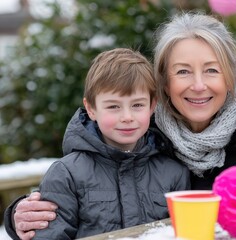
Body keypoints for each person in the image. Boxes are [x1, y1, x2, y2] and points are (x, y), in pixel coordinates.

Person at [5, 12, 236, 240]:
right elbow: (74, 191)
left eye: (212, 70)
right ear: (164, 84)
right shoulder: (148, 132)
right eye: (183, 72)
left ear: (230, 78)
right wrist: (20, 214)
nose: (199, 85)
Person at [7, 48, 191, 239]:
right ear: (91, 109)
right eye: (113, 106)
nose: (127, 117)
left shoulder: (174, 173)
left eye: (137, 105)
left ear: (152, 106)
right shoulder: (66, 174)